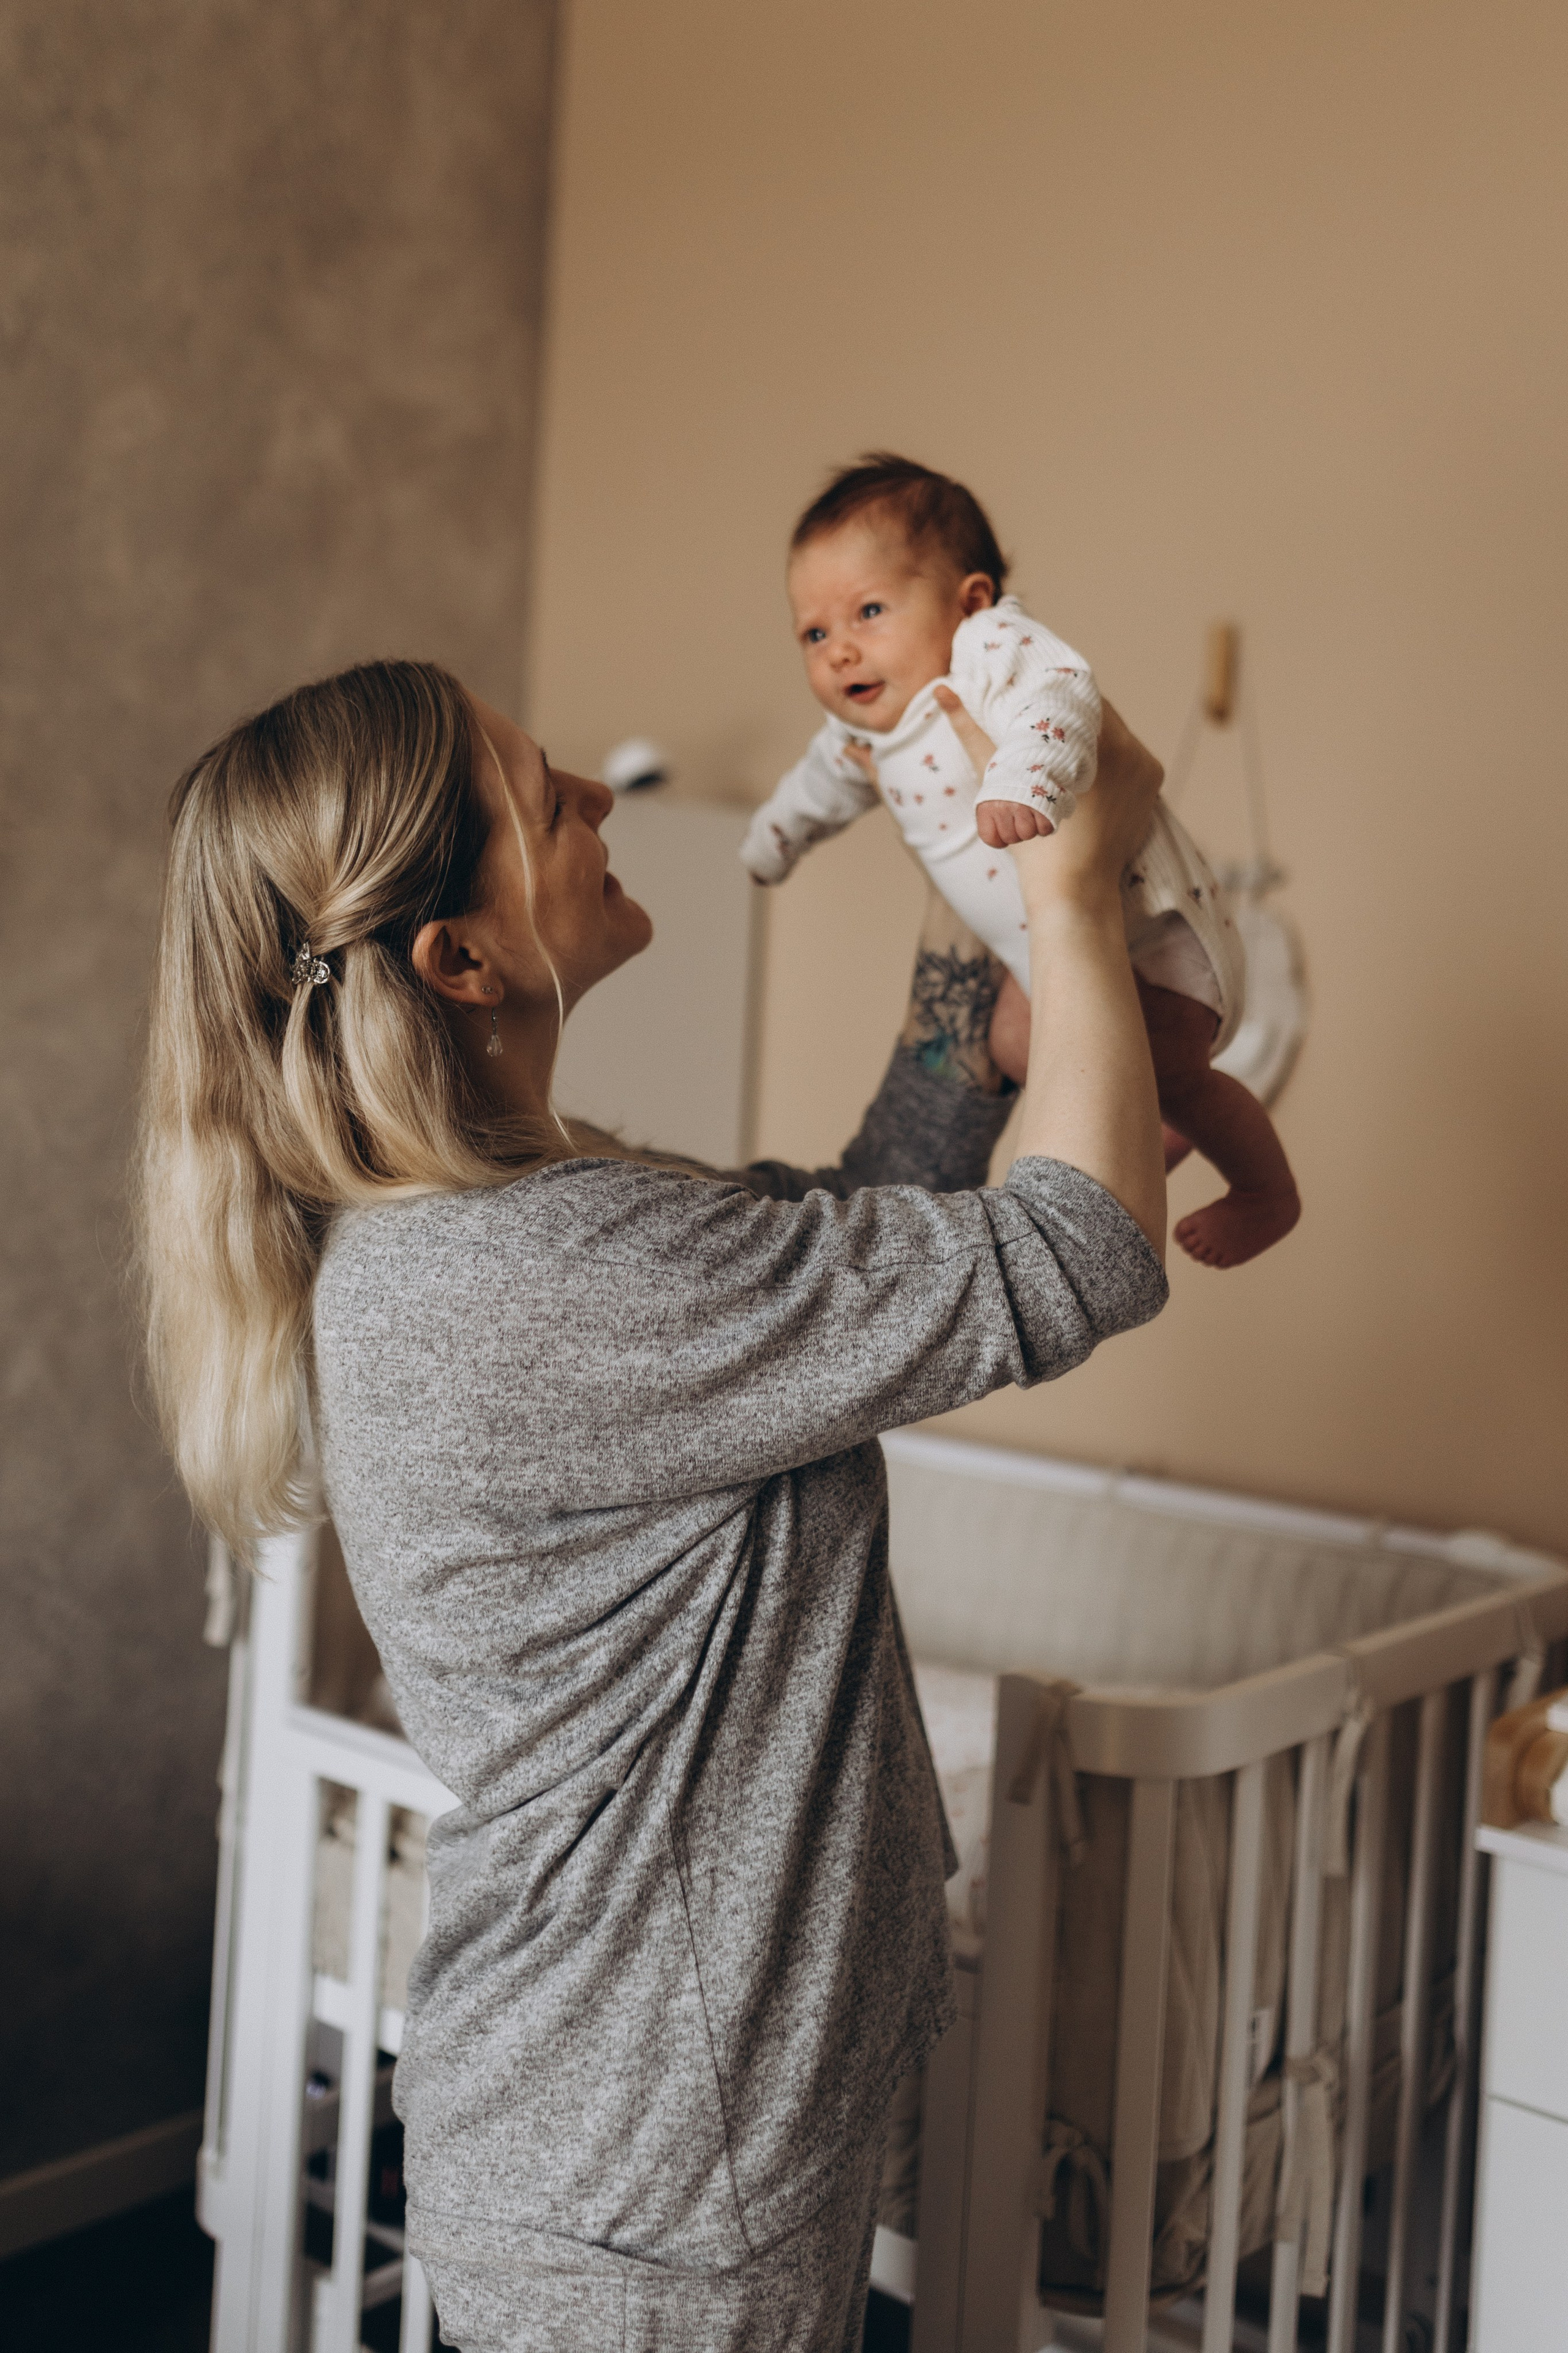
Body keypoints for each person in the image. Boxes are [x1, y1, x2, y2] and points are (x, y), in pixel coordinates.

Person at [137, 655, 1168, 2351]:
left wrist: (953, 992)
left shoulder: (510, 1228)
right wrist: (1071, 882)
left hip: (644, 2128)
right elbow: (1078, 1256)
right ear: (457, 961)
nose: (604, 805)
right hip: (654, 2177)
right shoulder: (529, 1270)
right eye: (551, 803)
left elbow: (830, 1249)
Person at [741, 453, 1302, 1269]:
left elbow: (1062, 693)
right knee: (1011, 1043)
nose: (839, 652)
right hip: (1049, 948)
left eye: (869, 611)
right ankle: (1152, 1126)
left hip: (1154, 937)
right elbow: (820, 784)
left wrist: (1023, 777)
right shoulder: (865, 729)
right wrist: (774, 839)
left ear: (967, 601)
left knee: (1178, 1071)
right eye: (815, 632)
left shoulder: (988, 650)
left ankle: (1263, 1190)